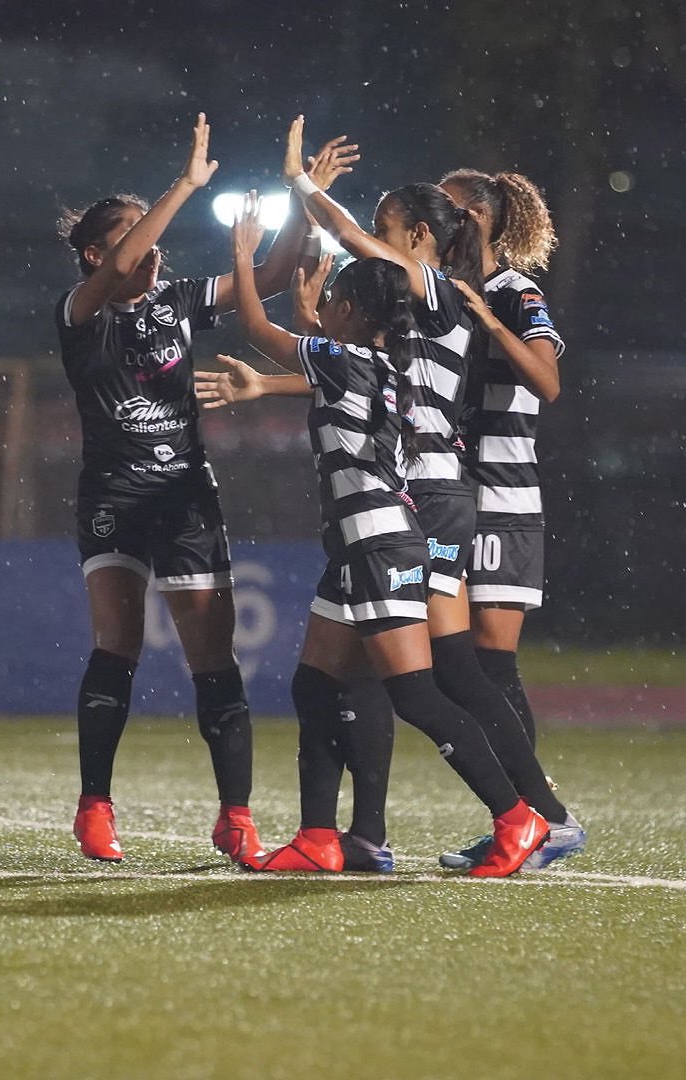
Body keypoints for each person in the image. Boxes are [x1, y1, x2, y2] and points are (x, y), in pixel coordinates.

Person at [202, 118, 575, 873]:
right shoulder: (411, 315)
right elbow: (352, 378)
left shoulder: (441, 291)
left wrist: (301, 186)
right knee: (349, 675)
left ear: (423, 238)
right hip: (417, 497)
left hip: (419, 498)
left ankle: (533, 815)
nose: (375, 240)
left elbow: (339, 287)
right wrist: (288, 355)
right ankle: (350, 835)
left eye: (387, 228)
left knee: (430, 677)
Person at [55, 114, 307, 869]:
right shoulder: (80, 312)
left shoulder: (179, 300)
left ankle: (236, 817)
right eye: (136, 236)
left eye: (155, 234)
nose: (155, 249)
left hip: (185, 496)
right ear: (96, 255)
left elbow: (270, 278)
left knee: (212, 657)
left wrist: (302, 198)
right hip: (113, 495)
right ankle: (95, 805)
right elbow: (126, 258)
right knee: (117, 645)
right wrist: (186, 185)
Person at [433, 167, 587, 870]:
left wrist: (491, 322)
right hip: (450, 492)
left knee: (488, 665)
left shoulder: (514, 292)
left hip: (500, 494)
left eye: (450, 210)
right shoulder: (439, 293)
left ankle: (544, 819)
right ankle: (525, 816)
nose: (439, 220)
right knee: (452, 667)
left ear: (480, 218)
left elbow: (548, 382)